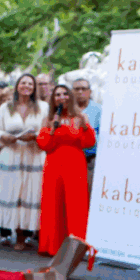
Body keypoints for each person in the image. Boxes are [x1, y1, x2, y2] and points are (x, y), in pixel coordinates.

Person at [0, 73, 49, 250]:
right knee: (12, 193)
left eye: (30, 84)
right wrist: (5, 137)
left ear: (34, 87)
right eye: (23, 83)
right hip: (11, 155)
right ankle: (14, 234)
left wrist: (36, 136)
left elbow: (48, 131)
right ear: (17, 86)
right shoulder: (6, 108)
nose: (26, 86)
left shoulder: (43, 107)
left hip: (34, 155)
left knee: (30, 194)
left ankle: (26, 235)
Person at [37, 84, 96, 256]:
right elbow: (43, 144)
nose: (61, 97)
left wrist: (85, 127)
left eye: (64, 94)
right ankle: (52, 246)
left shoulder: (80, 117)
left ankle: (75, 248)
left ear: (69, 97)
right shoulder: (48, 119)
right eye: (57, 95)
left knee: (75, 205)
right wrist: (53, 130)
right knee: (53, 203)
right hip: (54, 164)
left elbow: (89, 143)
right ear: (53, 99)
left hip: (75, 164)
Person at [72, 78, 101, 185]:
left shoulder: (99, 110)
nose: (80, 92)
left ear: (89, 92)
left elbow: (102, 136)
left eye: (83, 89)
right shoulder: (66, 109)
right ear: (72, 92)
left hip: (90, 161)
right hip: (68, 161)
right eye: (77, 89)